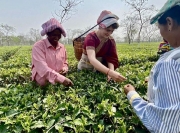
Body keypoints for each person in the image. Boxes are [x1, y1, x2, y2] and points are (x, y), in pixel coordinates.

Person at [124, 1, 180, 132]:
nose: (161, 33)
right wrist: (158, 83)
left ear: (169, 23)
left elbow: (165, 125)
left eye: (159, 27)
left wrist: (132, 95)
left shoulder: (170, 62)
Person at [77, 10, 126, 82]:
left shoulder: (110, 40)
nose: (109, 33)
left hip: (99, 70)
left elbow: (111, 58)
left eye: (112, 31)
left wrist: (111, 73)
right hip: (84, 69)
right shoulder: (91, 37)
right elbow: (92, 59)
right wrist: (110, 72)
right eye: (107, 30)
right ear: (100, 26)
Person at [31, 18, 73, 87]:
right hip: (43, 84)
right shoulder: (38, 46)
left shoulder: (62, 47)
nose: (56, 37)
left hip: (59, 82)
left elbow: (65, 62)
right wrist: (61, 79)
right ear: (48, 34)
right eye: (54, 35)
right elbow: (42, 68)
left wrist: (65, 68)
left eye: (59, 35)